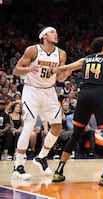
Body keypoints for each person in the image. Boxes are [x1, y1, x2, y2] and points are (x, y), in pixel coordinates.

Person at [50, 36, 103, 186]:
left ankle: (58, 171)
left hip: (83, 94)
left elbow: (65, 68)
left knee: (77, 133)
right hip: (99, 93)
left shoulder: (86, 59)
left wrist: (50, 69)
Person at [12, 26, 69, 180]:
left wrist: (65, 73)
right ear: (44, 36)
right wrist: (29, 69)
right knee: (29, 126)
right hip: (32, 90)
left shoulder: (61, 54)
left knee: (57, 127)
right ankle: (18, 166)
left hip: (49, 91)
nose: (55, 34)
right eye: (52, 32)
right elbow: (16, 70)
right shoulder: (33, 50)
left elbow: (60, 79)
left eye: (56, 32)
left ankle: (41, 156)